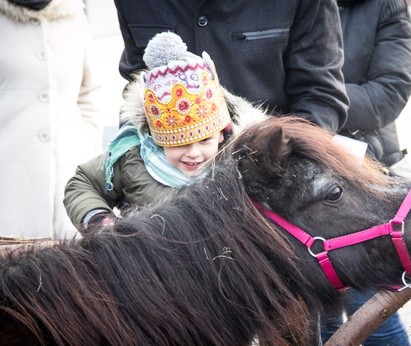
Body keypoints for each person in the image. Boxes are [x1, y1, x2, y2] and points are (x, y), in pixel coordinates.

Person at [64, 32, 266, 234]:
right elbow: (83, 183)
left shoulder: (242, 164)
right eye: (179, 143)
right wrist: (102, 225)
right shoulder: (133, 158)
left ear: (222, 134)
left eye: (205, 140)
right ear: (158, 139)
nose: (193, 153)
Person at [320, 0, 411, 344]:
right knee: (317, 311)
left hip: (365, 165)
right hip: (294, 172)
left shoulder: (383, 5)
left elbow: (390, 92)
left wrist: (312, 103)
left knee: (373, 305)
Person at [112, 0, 349, 133]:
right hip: (171, 182)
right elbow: (138, 90)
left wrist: (276, 160)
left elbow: (320, 97)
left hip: (270, 179)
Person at [0, 0, 103, 239]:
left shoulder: (75, 19)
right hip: (9, 188)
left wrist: (90, 154)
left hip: (71, 183)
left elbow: (88, 94)